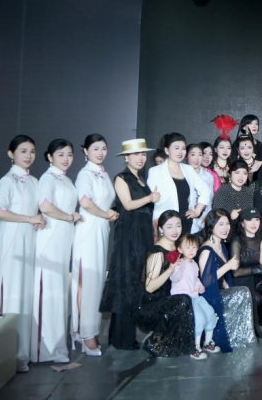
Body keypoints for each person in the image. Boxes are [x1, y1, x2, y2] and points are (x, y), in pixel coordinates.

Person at [0, 135, 44, 373]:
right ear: (11, 154)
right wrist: (29, 218)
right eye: (23, 151)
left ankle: (22, 353)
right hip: (10, 241)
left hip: (28, 241)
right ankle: (4, 356)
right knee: (9, 295)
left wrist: (38, 220)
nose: (28, 155)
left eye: (32, 151)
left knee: (24, 295)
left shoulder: (34, 181)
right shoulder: (7, 180)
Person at [100, 138, 158, 351]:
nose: (140, 158)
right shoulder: (121, 178)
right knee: (125, 283)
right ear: (126, 157)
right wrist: (150, 198)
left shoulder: (141, 179)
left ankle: (128, 337)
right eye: (135, 154)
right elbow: (127, 204)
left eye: (143, 154)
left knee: (135, 284)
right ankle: (120, 339)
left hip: (142, 236)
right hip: (128, 237)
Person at [32, 139, 79, 364]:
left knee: (59, 292)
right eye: (60, 154)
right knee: (48, 291)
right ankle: (44, 349)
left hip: (63, 238)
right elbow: (45, 206)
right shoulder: (48, 178)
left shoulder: (66, 179)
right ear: (50, 157)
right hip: (50, 238)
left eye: (69, 154)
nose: (66, 159)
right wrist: (70, 217)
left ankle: (57, 346)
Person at [72, 134, 117, 356]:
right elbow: (85, 202)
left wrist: (109, 214)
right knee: (87, 282)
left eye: (103, 148)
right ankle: (85, 334)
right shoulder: (85, 174)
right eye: (95, 148)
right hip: (88, 229)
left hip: (101, 229)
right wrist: (105, 214)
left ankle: (89, 330)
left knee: (97, 282)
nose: (100, 153)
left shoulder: (103, 172)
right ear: (85, 151)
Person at [136, 211, 196, 357]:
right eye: (169, 227)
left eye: (178, 225)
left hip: (170, 297)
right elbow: (149, 287)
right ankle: (155, 341)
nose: (175, 230)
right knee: (183, 300)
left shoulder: (179, 247)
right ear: (161, 228)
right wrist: (169, 270)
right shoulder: (157, 252)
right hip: (152, 305)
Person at [198, 209, 257, 351]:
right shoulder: (207, 249)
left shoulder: (221, 245)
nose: (225, 228)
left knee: (244, 290)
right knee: (242, 292)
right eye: (220, 224)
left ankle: (242, 337)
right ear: (211, 226)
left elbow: (222, 278)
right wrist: (228, 266)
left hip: (219, 291)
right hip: (209, 296)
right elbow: (206, 281)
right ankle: (235, 337)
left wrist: (226, 286)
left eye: (227, 224)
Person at [147, 133, 210, 236]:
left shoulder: (188, 169)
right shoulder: (155, 171)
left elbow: (205, 190)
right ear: (167, 150)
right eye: (176, 148)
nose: (180, 152)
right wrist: (156, 221)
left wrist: (197, 211)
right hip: (166, 223)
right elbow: (152, 201)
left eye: (183, 148)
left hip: (186, 221)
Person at [170, 234, 219, 360]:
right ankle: (195, 347)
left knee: (210, 314)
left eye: (194, 247)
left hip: (195, 296)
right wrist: (175, 267)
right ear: (180, 249)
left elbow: (195, 278)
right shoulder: (179, 264)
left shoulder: (194, 264)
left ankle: (207, 342)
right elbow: (174, 278)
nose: (191, 250)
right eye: (188, 247)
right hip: (184, 298)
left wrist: (199, 286)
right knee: (199, 319)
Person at [231, 208, 262, 339]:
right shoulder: (237, 241)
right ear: (242, 223)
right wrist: (259, 268)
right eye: (249, 220)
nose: (254, 223)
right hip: (242, 279)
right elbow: (236, 272)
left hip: (259, 278)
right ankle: (253, 328)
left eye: (257, 220)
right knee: (250, 287)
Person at [213, 160, 255, 227]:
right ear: (230, 174)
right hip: (226, 229)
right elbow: (216, 216)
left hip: (244, 229)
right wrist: (229, 216)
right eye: (237, 173)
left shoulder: (248, 192)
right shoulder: (223, 191)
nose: (241, 176)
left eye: (244, 173)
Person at [186, 143, 215, 233]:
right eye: (193, 154)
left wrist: (207, 217)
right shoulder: (183, 174)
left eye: (199, 154)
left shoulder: (208, 176)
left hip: (203, 219)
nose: (197, 158)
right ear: (186, 156)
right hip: (186, 217)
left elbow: (210, 199)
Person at [210, 114, 238, 186]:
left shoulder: (234, 166)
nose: (225, 151)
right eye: (222, 147)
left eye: (228, 148)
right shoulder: (210, 166)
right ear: (215, 149)